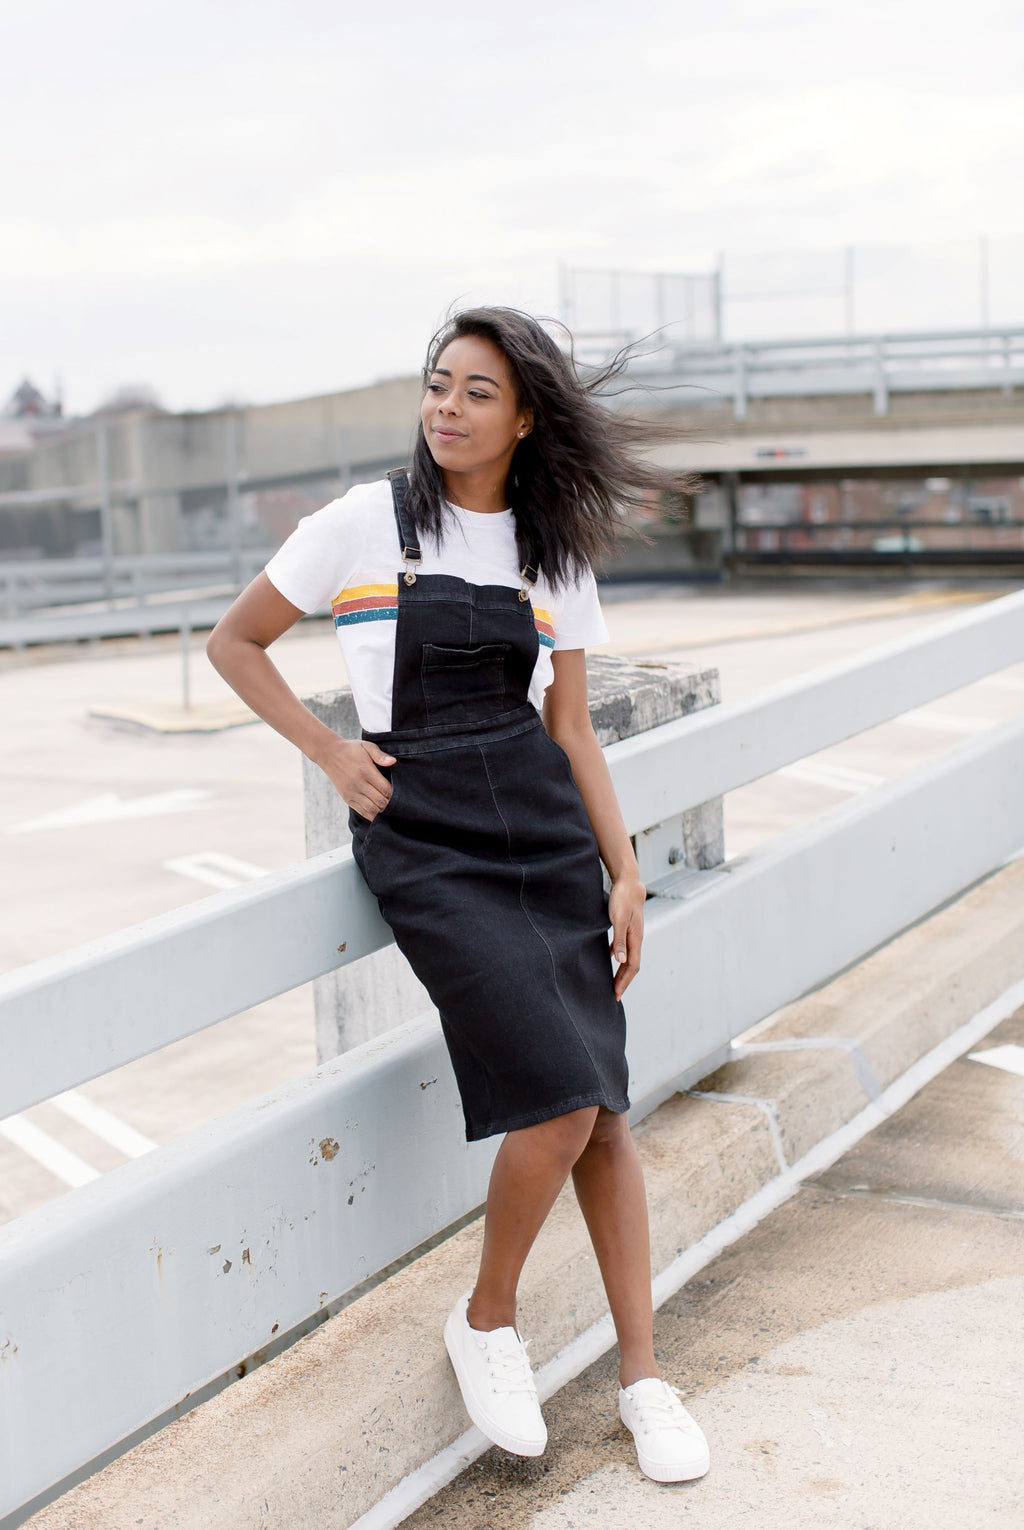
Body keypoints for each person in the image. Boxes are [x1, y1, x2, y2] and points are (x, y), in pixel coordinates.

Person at [206, 305, 710, 1485]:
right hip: (423, 836)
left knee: (601, 1106)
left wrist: (624, 867)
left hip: (541, 831)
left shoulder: (553, 548)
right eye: (438, 384)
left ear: (525, 416)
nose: (446, 407)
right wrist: (333, 755)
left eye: (477, 390)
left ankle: (643, 1376)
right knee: (557, 1098)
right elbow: (239, 642)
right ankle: (488, 1318)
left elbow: (571, 726)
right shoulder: (362, 521)